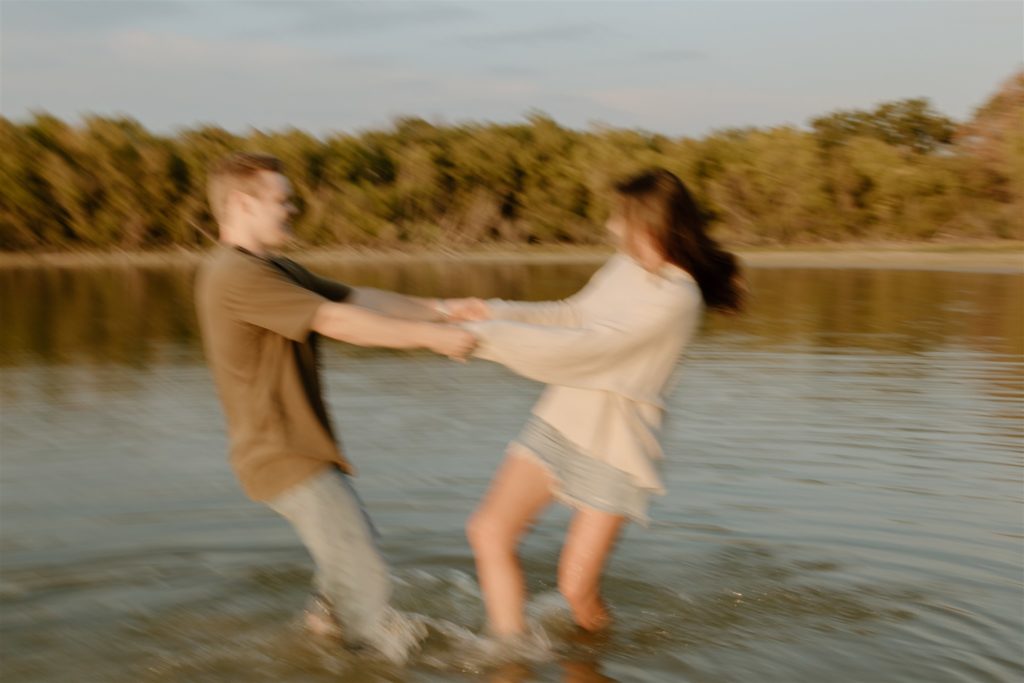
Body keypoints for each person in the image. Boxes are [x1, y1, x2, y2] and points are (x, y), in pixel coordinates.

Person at [194, 152, 475, 661]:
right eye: (282, 199)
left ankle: (319, 638)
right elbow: (335, 322)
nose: (293, 208)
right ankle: (364, 661)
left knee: (345, 567)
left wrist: (440, 310)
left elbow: (355, 299)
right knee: (364, 577)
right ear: (241, 203)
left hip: (300, 449)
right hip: (283, 455)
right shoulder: (236, 275)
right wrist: (430, 340)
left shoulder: (272, 267)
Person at [443, 168, 744, 639]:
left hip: (616, 446)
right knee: (488, 531)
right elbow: (573, 314)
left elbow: (591, 347)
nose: (609, 226)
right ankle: (510, 654)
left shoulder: (677, 296)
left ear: (648, 222)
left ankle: (593, 661)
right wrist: (493, 310)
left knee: (575, 590)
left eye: (618, 215)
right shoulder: (625, 266)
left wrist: (479, 338)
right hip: (561, 419)